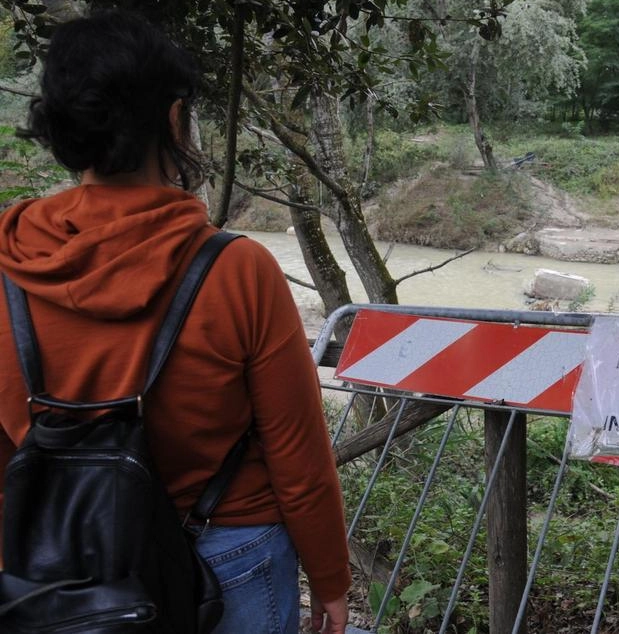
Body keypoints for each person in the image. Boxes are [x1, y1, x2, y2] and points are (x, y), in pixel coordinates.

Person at [0, 10, 351, 634]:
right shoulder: (237, 270)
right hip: (228, 554)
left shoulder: (10, 261)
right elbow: (297, 455)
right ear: (172, 118)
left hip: (61, 566)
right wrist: (330, 581)